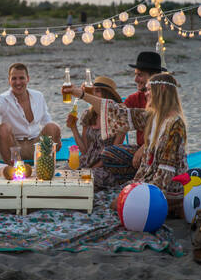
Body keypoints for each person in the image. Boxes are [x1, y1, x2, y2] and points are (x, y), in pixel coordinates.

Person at [63, 73, 188, 217]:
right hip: (150, 180)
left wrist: (140, 194)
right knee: (103, 201)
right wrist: (81, 94)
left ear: (163, 90)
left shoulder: (175, 124)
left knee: (114, 205)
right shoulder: (152, 117)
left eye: (149, 90)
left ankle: (172, 207)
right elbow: (116, 112)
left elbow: (166, 172)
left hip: (168, 189)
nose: (145, 94)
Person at [100, 51, 165, 182]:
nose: (135, 79)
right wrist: (113, 154)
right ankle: (128, 179)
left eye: (140, 75)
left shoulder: (164, 100)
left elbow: (163, 132)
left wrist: (144, 148)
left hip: (161, 151)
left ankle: (139, 179)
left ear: (153, 77)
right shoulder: (135, 98)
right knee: (108, 153)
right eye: (135, 75)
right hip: (140, 152)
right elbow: (120, 120)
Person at [0, 63, 61, 164]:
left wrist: (57, 135)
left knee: (53, 127)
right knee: (2, 128)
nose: (18, 82)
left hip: (36, 147)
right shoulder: (3, 99)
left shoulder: (38, 96)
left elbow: (47, 121)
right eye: (14, 78)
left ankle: (44, 165)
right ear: (9, 80)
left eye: (21, 78)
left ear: (28, 79)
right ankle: (13, 167)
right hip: (12, 148)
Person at [66, 76, 125, 191]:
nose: (93, 94)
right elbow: (85, 150)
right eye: (93, 91)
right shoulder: (88, 114)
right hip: (87, 160)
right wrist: (73, 128)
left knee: (87, 178)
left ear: (107, 96)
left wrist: (90, 169)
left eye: (97, 91)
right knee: (64, 173)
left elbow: (112, 154)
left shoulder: (119, 118)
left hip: (105, 165)